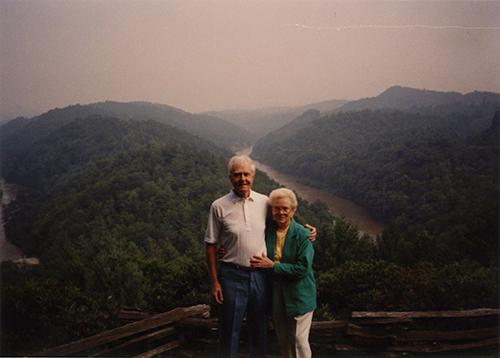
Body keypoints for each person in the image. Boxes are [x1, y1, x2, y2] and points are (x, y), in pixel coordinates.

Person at [205, 155, 316, 358]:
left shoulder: (265, 202)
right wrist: (214, 282)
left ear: (253, 176)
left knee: (259, 330)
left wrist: (306, 231)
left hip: (261, 276)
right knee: (229, 331)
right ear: (230, 177)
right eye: (237, 175)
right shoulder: (218, 206)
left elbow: (284, 219)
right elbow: (211, 245)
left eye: (246, 174)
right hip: (231, 275)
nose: (243, 179)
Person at [250, 188, 316, 358]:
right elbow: (245, 238)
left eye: (285, 208)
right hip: (277, 293)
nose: (281, 212)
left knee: (299, 341)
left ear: (293, 210)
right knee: (283, 338)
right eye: (277, 208)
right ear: (271, 210)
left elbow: (302, 269)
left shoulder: (303, 235)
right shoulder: (268, 231)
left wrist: (274, 266)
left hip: (299, 293)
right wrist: (224, 249)